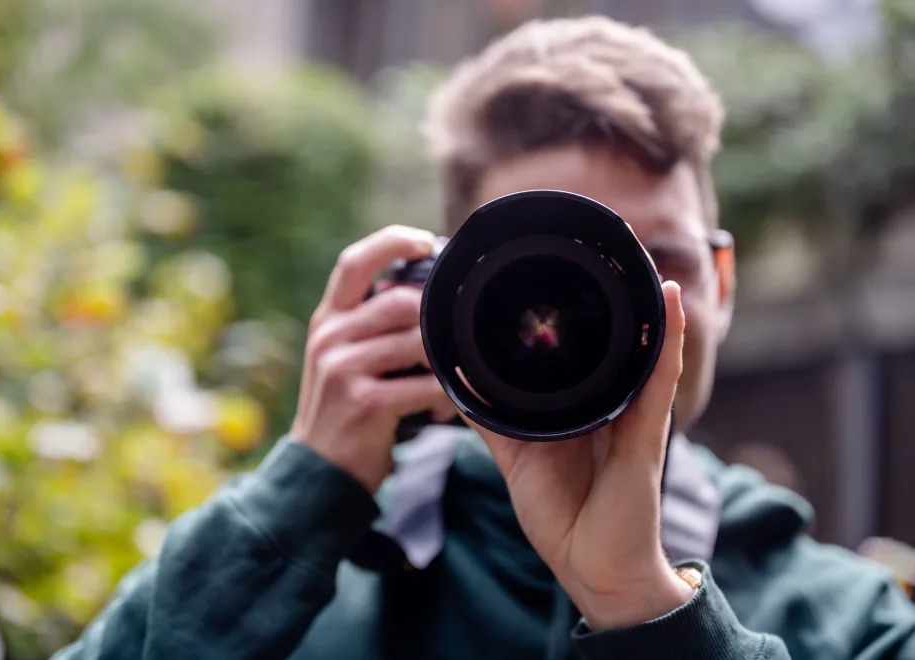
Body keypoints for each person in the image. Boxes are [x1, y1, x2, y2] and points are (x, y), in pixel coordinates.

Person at [54, 15, 915, 660]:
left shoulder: (850, 622)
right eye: (546, 277)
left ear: (719, 286)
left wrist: (647, 608)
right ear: (446, 301)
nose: (616, 314)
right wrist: (301, 495)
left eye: (653, 265)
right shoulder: (303, 573)